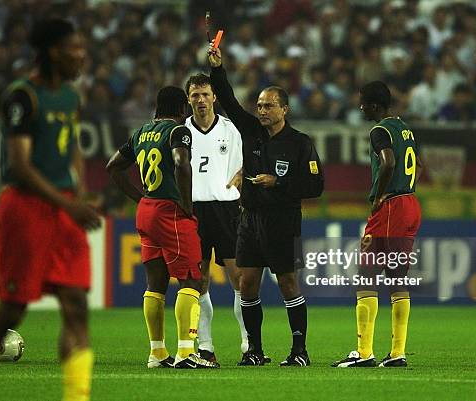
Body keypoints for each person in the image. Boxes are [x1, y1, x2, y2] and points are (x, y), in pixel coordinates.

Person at [0, 19, 101, 401]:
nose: (82, 55)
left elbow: (71, 146)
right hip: (26, 209)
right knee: (10, 313)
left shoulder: (71, 97)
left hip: (64, 208)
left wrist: (80, 191)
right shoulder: (23, 96)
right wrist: (68, 202)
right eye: (75, 48)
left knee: (76, 305)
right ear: (53, 51)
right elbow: (20, 165)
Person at [207, 44, 324, 367]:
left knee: (287, 283)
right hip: (250, 218)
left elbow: (316, 186)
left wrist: (279, 182)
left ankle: (299, 351)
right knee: (246, 283)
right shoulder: (251, 132)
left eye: (268, 106)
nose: (261, 111)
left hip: (283, 220)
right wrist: (218, 70)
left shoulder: (300, 143)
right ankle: (254, 351)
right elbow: (228, 101)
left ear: (284, 109)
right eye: (259, 105)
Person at [106, 86, 218, 369]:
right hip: (170, 211)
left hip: (146, 211)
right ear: (182, 108)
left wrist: (139, 197)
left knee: (155, 284)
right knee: (192, 279)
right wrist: (187, 204)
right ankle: (185, 352)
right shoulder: (178, 131)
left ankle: (157, 352)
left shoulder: (141, 132)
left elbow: (113, 167)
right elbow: (181, 163)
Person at [332, 81, 422, 368]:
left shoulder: (379, 131)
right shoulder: (405, 128)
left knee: (365, 277)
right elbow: (417, 165)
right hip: (410, 203)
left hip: (392, 207)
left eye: (363, 103)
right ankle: (397, 353)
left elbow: (387, 162)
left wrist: (380, 194)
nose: (360, 107)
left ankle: (364, 352)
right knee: (398, 280)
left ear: (374, 105)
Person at [184, 73, 248, 363]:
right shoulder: (181, 133)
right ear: (188, 99)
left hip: (226, 210)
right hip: (194, 210)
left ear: (214, 98)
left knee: (240, 279)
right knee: (199, 281)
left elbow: (243, 166)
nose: (200, 100)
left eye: (205, 94)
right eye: (195, 95)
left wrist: (241, 178)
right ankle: (206, 346)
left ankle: (249, 345)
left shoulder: (230, 129)